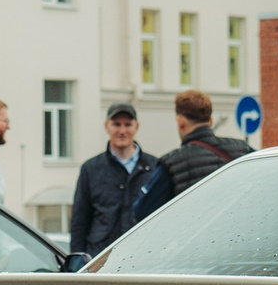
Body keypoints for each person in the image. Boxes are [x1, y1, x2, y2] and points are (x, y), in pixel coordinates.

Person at [67, 102, 167, 264]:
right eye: (116, 124)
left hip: (144, 259)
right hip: (101, 260)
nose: (122, 131)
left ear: (137, 127)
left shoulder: (155, 167)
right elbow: (79, 221)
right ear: (106, 126)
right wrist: (77, 261)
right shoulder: (91, 169)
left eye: (128, 124)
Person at [159, 88, 252, 196]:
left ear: (180, 122)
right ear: (211, 121)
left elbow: (145, 207)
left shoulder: (171, 163)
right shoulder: (243, 149)